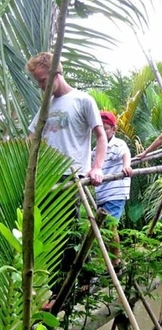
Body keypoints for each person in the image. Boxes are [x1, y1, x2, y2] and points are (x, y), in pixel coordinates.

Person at [26, 52, 107, 310]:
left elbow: (101, 136)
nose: (40, 85)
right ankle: (45, 293)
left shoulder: (83, 100)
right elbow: (31, 139)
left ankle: (64, 293)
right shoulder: (46, 105)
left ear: (55, 73)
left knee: (65, 234)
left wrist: (96, 168)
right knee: (43, 235)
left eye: (42, 80)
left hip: (71, 175)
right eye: (37, 81)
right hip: (44, 178)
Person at [92, 111, 132, 271]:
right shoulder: (95, 149)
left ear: (114, 129)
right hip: (101, 194)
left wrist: (126, 166)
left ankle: (116, 263)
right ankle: (111, 262)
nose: (102, 131)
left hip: (115, 192)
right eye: (99, 128)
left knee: (110, 225)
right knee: (103, 229)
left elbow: (126, 154)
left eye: (106, 128)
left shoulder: (118, 144)